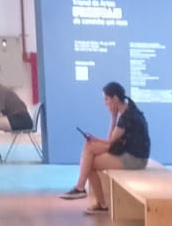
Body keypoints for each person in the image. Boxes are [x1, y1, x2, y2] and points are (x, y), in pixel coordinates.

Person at [59, 81, 151, 213]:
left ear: (115, 98)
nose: (105, 103)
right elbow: (112, 140)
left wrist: (113, 117)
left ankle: (85, 192)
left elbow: (111, 141)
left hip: (135, 159)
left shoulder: (127, 116)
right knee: (89, 148)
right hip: (127, 151)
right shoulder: (128, 109)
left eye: (107, 99)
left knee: (90, 163)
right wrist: (112, 118)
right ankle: (83, 191)